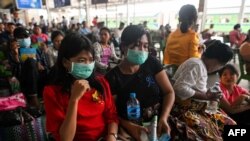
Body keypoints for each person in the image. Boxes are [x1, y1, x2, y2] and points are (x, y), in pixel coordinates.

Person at [43, 33, 118, 141]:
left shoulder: (101, 83)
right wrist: (74, 99)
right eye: (81, 60)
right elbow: (65, 138)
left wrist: (112, 136)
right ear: (65, 62)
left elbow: (112, 116)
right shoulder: (52, 92)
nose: (88, 65)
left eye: (91, 60)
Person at [105, 25, 175, 141]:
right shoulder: (112, 77)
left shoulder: (151, 63)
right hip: (131, 129)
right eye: (137, 45)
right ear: (123, 46)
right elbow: (111, 113)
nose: (142, 50)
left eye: (145, 46)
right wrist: (129, 126)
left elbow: (169, 92)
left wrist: (164, 117)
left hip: (159, 123)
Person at [171, 40, 236, 140]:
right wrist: (206, 96)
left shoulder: (201, 66)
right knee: (214, 137)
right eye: (220, 65)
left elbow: (196, 87)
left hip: (199, 109)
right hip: (185, 110)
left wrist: (208, 94)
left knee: (232, 126)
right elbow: (179, 88)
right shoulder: (196, 65)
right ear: (215, 60)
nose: (218, 69)